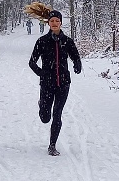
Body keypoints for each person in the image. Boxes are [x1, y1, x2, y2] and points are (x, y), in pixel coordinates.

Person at [28, 9, 82, 156]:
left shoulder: (67, 41)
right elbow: (31, 62)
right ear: (48, 23)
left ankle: (52, 145)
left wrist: (78, 64)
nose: (54, 23)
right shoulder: (42, 41)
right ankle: (42, 106)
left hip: (63, 83)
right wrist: (41, 73)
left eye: (57, 21)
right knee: (45, 118)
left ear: (61, 23)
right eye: (52, 21)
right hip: (47, 84)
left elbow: (75, 56)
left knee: (57, 113)